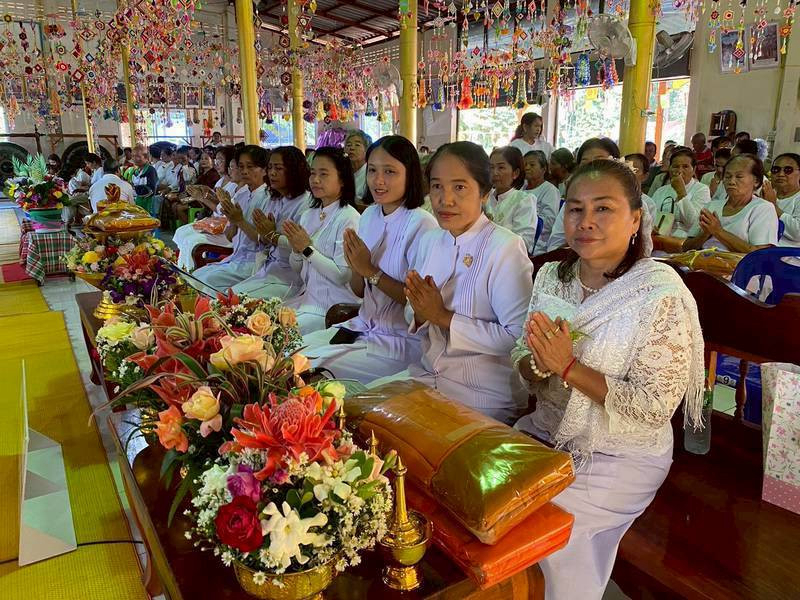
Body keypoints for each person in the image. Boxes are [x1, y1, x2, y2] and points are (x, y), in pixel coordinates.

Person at [512, 159, 704, 600]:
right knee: (480, 501)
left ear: (635, 219)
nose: (586, 222)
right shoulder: (552, 276)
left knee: (540, 529)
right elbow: (523, 355)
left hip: (620, 456)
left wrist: (568, 368)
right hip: (544, 435)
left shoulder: (660, 291)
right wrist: (538, 364)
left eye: (604, 209)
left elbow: (655, 407)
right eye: (575, 209)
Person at [369, 141, 534, 424]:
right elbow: (413, 311)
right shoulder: (431, 240)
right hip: (424, 375)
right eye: (436, 187)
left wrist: (443, 317)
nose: (445, 199)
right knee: (352, 418)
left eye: (459, 187)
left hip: (482, 393)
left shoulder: (504, 247)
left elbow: (516, 338)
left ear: (483, 192)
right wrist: (420, 312)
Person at [301, 136, 438, 382]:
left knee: (308, 372)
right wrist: (356, 266)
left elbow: (416, 303)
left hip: (398, 341)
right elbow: (359, 291)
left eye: (390, 171)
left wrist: (369, 269)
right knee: (290, 354)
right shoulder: (370, 215)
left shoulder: (423, 225)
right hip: (361, 326)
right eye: (372, 170)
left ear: (410, 175)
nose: (378, 180)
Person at [280, 147, 361, 334]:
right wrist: (296, 250)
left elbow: (342, 276)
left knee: (274, 334)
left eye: (323, 174)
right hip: (307, 298)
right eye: (313, 173)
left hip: (331, 307)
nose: (315, 180)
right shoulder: (309, 215)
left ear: (342, 180)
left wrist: (307, 249)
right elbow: (298, 268)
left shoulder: (349, 218)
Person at [232, 146, 313, 299]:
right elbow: (265, 240)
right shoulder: (275, 199)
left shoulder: (305, 203)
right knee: (229, 296)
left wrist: (270, 234)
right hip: (269, 266)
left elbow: (302, 246)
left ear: (294, 171)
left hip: (290, 276)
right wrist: (264, 234)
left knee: (235, 300)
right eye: (269, 168)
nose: (272, 173)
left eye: (278, 168)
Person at [192, 145, 270, 291]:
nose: (244, 171)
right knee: (195, 276)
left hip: (253, 263)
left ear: (264, 169)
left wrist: (239, 220)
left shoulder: (268, 198)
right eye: (241, 166)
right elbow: (229, 236)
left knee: (205, 282)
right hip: (236, 258)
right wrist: (234, 222)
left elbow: (265, 241)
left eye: (250, 167)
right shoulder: (242, 194)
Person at [681, 154, 778, 252]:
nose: (731, 181)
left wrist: (718, 231)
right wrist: (705, 234)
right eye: (727, 176)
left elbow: (759, 255)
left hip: (738, 266)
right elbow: (686, 247)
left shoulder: (763, 208)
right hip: (702, 262)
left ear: (756, 181)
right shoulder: (712, 206)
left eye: (739, 177)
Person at [548, 138, 622, 251]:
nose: (592, 169)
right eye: (585, 164)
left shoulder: (629, 202)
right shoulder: (572, 203)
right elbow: (554, 247)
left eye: (600, 162)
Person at [173, 150, 241, 271]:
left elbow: (222, 210)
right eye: (217, 159)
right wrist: (207, 192)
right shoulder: (221, 181)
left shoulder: (236, 186)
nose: (217, 163)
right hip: (216, 221)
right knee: (182, 231)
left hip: (224, 227)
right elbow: (219, 204)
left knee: (191, 240)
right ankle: (183, 266)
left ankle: (190, 269)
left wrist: (202, 198)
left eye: (221, 160)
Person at [647, 147, 711, 235]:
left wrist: (681, 193)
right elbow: (650, 216)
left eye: (685, 167)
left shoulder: (702, 189)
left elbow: (694, 223)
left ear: (694, 170)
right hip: (659, 239)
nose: (680, 171)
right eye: (675, 166)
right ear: (669, 169)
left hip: (685, 242)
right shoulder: (661, 191)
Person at [486, 146, 538, 254]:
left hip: (508, 260)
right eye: (491, 167)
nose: (494, 173)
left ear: (515, 173)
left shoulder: (524, 201)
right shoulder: (484, 197)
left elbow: (524, 242)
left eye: (501, 168)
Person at [524, 150, 561, 254]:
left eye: (532, 165)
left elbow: (548, 221)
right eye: (525, 165)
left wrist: (525, 224)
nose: (527, 168)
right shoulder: (521, 189)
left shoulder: (550, 190)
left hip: (538, 244)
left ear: (543, 169)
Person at [762, 152, 800, 247]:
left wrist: (772, 206)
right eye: (776, 170)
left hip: (790, 256)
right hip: (759, 249)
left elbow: (797, 233)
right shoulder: (765, 191)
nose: (781, 174)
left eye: (788, 170)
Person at [344, 130, 372, 202]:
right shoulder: (343, 170)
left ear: (367, 149)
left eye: (357, 145)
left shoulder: (371, 172)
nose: (352, 148)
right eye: (348, 145)